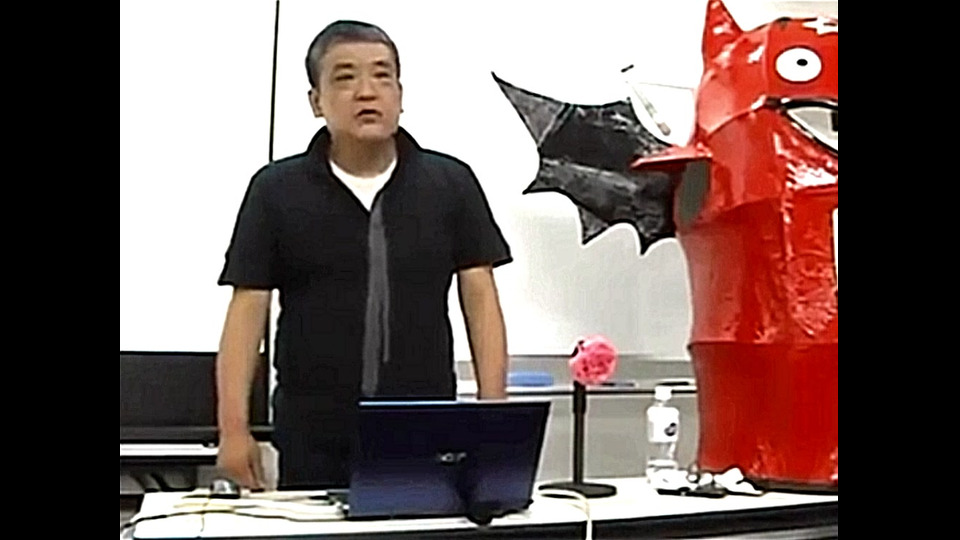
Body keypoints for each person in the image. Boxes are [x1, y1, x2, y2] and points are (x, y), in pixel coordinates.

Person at [214, 20, 512, 490]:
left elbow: (481, 300)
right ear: (316, 101)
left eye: (381, 75)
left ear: (400, 94)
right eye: (345, 77)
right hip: (312, 432)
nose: (367, 91)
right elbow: (247, 312)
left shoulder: (450, 184)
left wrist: (493, 417)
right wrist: (233, 430)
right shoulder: (276, 191)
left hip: (424, 424)